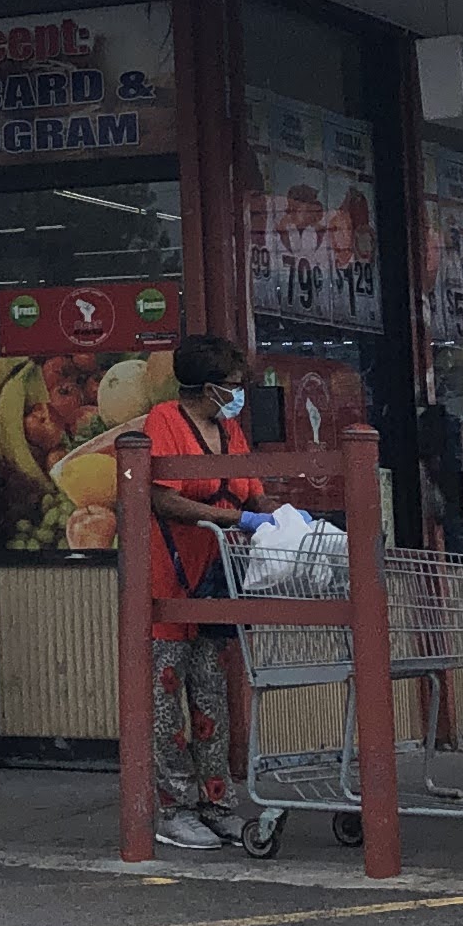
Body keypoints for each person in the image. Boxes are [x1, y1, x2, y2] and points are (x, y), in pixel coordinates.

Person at [137, 334, 266, 851]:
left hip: (218, 581)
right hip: (167, 578)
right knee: (166, 697)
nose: (239, 396)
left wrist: (280, 525)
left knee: (211, 695)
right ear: (209, 387)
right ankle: (174, 806)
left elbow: (255, 490)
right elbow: (162, 498)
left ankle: (218, 802)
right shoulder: (164, 422)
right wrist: (231, 517)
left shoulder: (232, 432)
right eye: (234, 386)